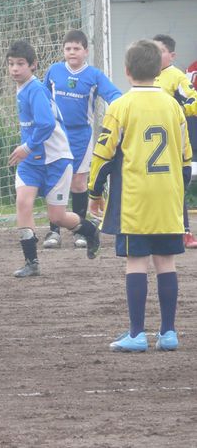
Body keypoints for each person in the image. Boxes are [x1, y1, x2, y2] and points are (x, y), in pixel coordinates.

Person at [88, 39, 190, 352]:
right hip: (168, 199)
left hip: (135, 200)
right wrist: (179, 194)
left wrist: (94, 193)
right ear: (160, 69)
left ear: (127, 71)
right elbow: (186, 159)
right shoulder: (173, 106)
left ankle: (136, 334)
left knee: (136, 263)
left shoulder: (120, 107)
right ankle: (169, 333)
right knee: (166, 264)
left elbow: (103, 155)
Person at [6, 41, 101, 278]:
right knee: (23, 203)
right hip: (32, 161)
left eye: (20, 64)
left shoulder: (35, 89)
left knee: (56, 217)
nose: (15, 69)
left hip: (56, 159)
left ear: (33, 65)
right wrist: (28, 150)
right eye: (11, 64)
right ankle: (31, 262)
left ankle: (90, 231)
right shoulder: (22, 88)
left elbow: (47, 124)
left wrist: (26, 147)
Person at [42, 30, 121, 250]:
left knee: (78, 182)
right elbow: (42, 96)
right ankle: (53, 231)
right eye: (68, 48)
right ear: (63, 51)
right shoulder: (54, 71)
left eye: (76, 48)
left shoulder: (94, 75)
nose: (72, 52)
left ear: (85, 51)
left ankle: (79, 231)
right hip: (56, 134)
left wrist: (123, 112)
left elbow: (115, 96)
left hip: (81, 136)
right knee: (55, 180)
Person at [152, 34, 197, 249]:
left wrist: (178, 110)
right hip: (150, 141)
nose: (155, 55)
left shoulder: (176, 76)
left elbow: (193, 101)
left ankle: (185, 231)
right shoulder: (146, 75)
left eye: (160, 51)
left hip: (173, 140)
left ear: (171, 55)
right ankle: (155, 228)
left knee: (176, 184)